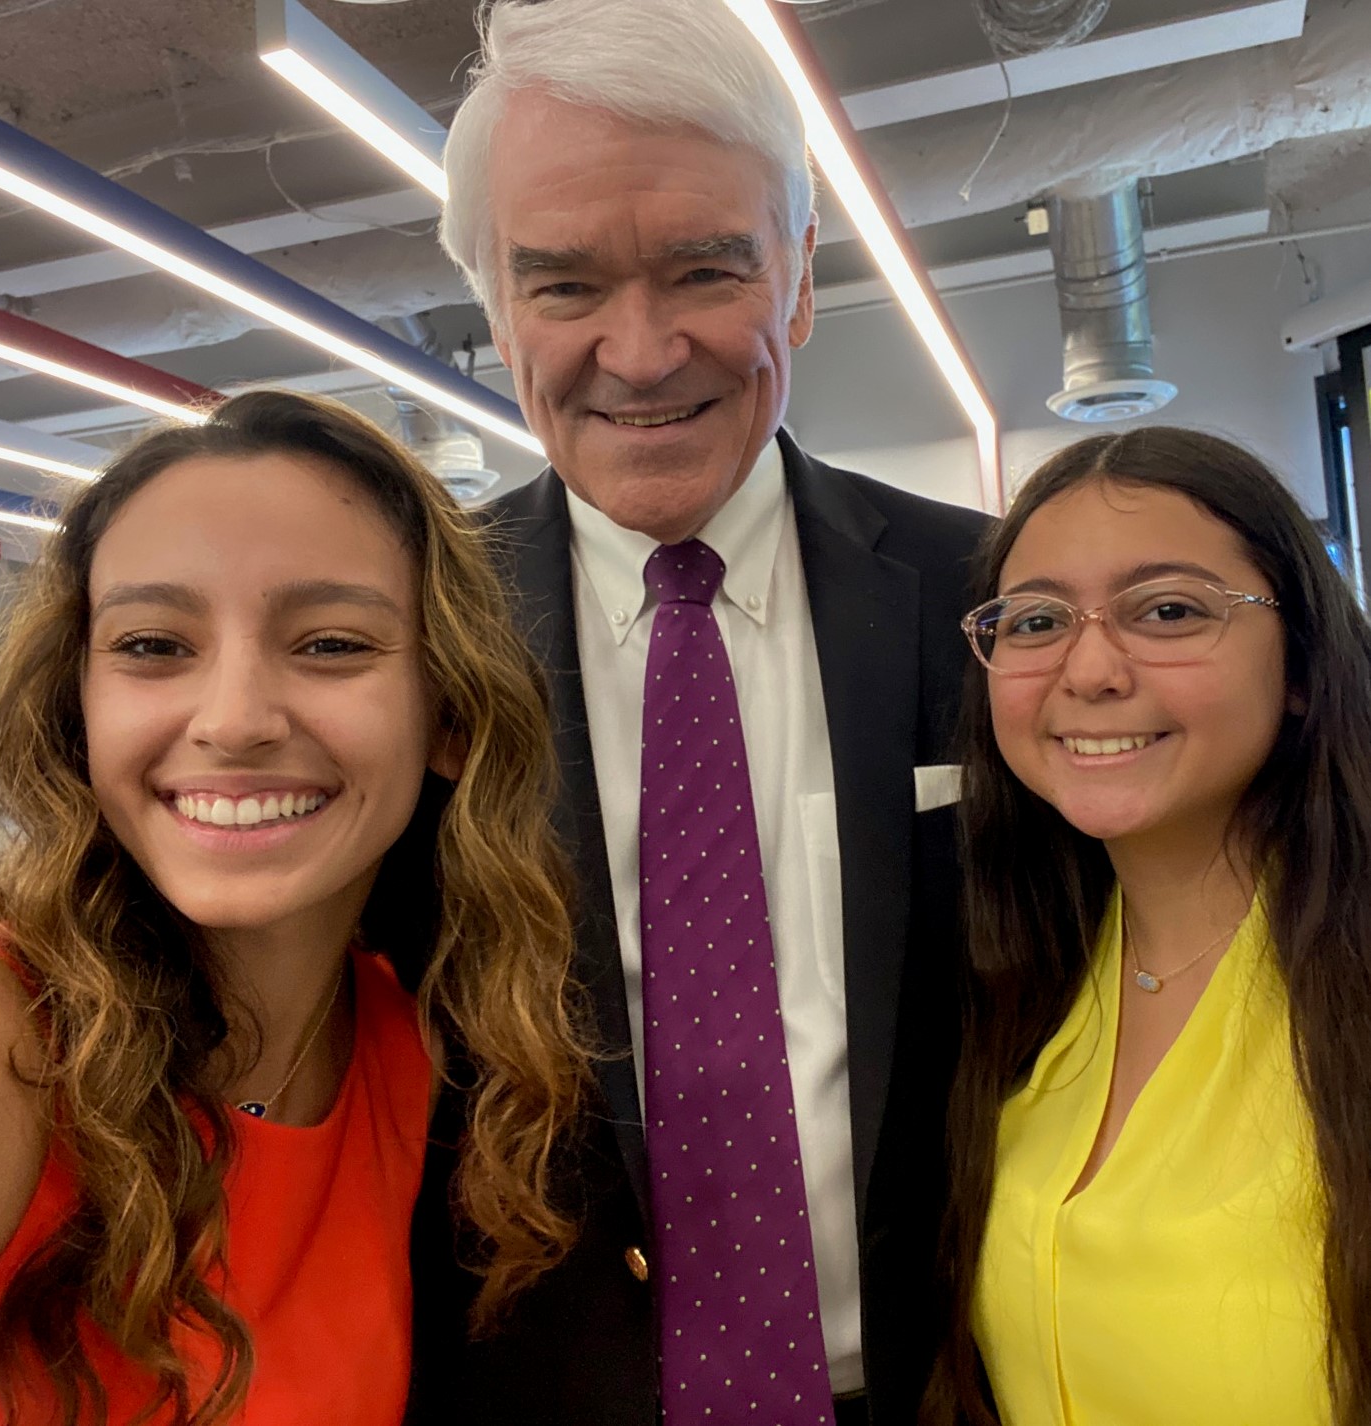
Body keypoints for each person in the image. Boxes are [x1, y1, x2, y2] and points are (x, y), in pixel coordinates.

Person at [412, 2, 989, 1423]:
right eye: (560, 287)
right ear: (494, 309)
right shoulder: (405, 638)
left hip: (944, 1385)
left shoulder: (989, 601)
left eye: (705, 268)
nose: (643, 349)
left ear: (798, 277)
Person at [0, 390, 589, 1425]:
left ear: (452, 715)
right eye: (154, 645)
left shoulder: (413, 1051)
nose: (236, 720)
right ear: (76, 708)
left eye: (332, 643)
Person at [921, 425, 1371, 1426]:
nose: (1089, 671)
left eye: (1167, 610)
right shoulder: (1027, 981)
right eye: (1034, 622)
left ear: (1300, 664)